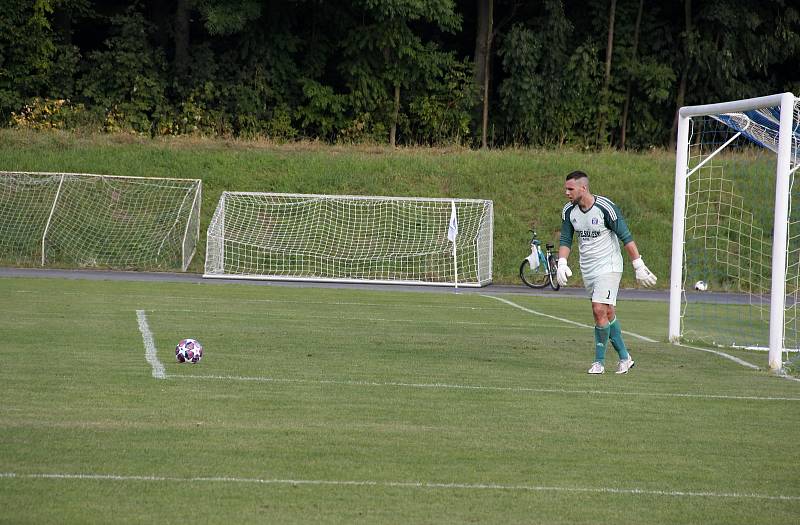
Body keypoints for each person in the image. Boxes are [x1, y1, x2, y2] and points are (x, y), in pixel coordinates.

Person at [556, 170, 657, 374]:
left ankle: (599, 363)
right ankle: (625, 358)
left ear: (583, 188)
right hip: (589, 268)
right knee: (607, 312)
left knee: (598, 309)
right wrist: (562, 262)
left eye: (570, 189)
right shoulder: (568, 211)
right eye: (566, 188)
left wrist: (638, 265)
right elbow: (566, 239)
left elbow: (625, 236)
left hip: (609, 265)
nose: (566, 192)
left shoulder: (605, 208)